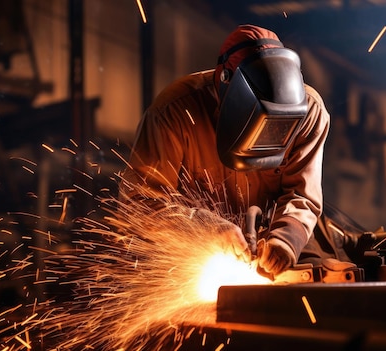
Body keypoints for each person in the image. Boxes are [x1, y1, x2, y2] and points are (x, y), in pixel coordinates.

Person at [120, 24, 332, 278]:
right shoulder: (173, 113)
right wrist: (205, 228)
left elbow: (301, 195)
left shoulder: (310, 112)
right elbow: (140, 204)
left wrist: (286, 240)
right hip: (194, 251)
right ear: (225, 85)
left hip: (269, 240)